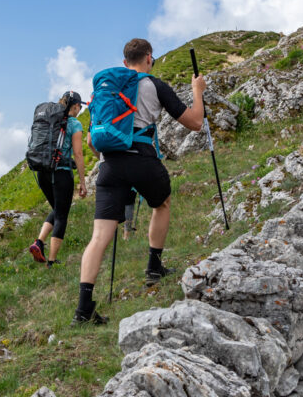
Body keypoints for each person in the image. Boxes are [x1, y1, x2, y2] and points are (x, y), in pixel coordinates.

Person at [73, 39, 206, 325]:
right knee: (162, 203)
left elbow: (91, 142)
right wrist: (198, 91)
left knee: (98, 238)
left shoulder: (108, 89)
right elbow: (195, 123)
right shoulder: (153, 85)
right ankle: (154, 268)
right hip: (142, 159)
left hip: (108, 165)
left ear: (124, 63)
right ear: (149, 58)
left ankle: (83, 310)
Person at [28, 91, 87, 266]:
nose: (79, 110)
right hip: (61, 172)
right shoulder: (74, 124)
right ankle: (52, 262)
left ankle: (39, 242)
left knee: (57, 207)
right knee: (62, 214)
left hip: (42, 171)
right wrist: (82, 181)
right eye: (79, 107)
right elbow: (77, 153)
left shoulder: (50, 120)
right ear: (75, 106)